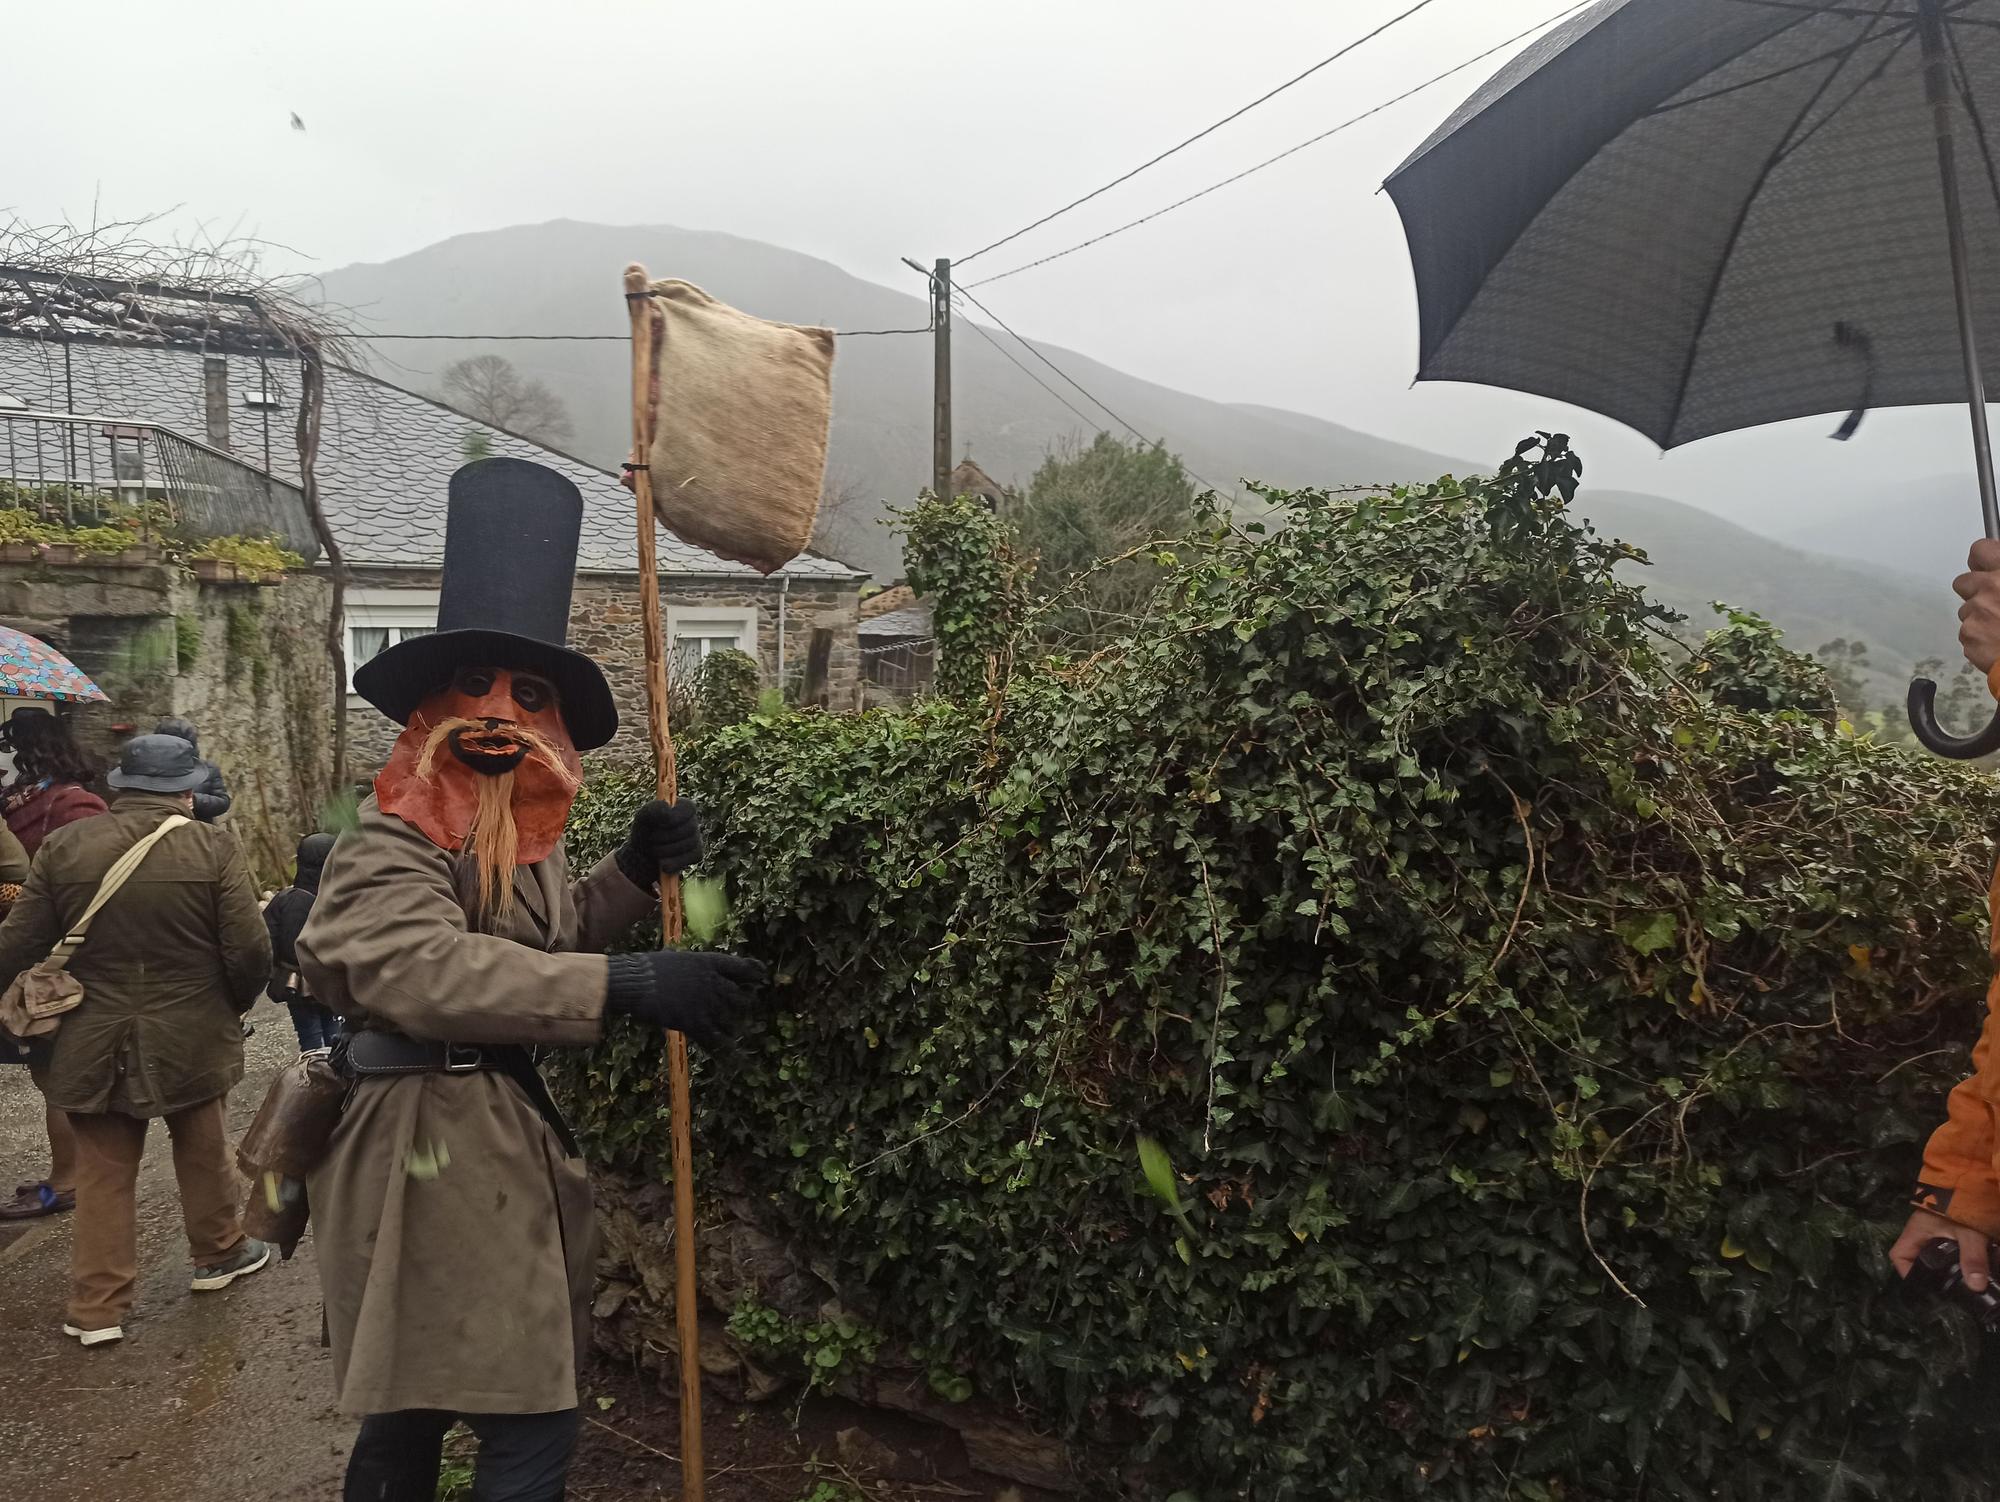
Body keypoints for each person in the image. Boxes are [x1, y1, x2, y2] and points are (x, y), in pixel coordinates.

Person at [299, 459, 765, 1502]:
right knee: (521, 1414)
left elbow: (542, 941)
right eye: (474, 687)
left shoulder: (519, 838)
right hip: (422, 1146)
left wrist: (632, 872)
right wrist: (627, 985)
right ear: (428, 707)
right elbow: (422, 966)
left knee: (419, 1402)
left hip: (494, 1139)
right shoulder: (390, 838)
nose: (500, 711)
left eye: (529, 693)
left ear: (552, 723)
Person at [0, 733, 273, 1343]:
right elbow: (250, 950)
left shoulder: (63, 846)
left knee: (102, 1169)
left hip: (88, 1033)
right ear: (187, 789)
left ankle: (97, 1308)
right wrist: (231, 1004)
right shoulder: (213, 848)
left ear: (119, 785)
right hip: (193, 1029)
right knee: (203, 1145)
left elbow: (17, 945)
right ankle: (219, 1252)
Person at [0, 707, 106, 1223]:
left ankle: (69, 1176)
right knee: (55, 1070)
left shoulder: (31, 801)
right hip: (55, 945)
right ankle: (69, 1177)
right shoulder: (68, 801)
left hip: (33, 947)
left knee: (52, 1068)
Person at [265, 833, 340, 1051]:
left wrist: (276, 970)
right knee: (337, 1036)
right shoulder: (341, 898)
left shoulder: (286, 900)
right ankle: (342, 1080)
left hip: (295, 985)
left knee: (311, 1041)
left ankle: (316, 1078)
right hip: (333, 981)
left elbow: (266, 940)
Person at [153, 717, 231, 823]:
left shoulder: (208, 769)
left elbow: (223, 802)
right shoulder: (150, 768)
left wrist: (195, 801)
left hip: (199, 831)